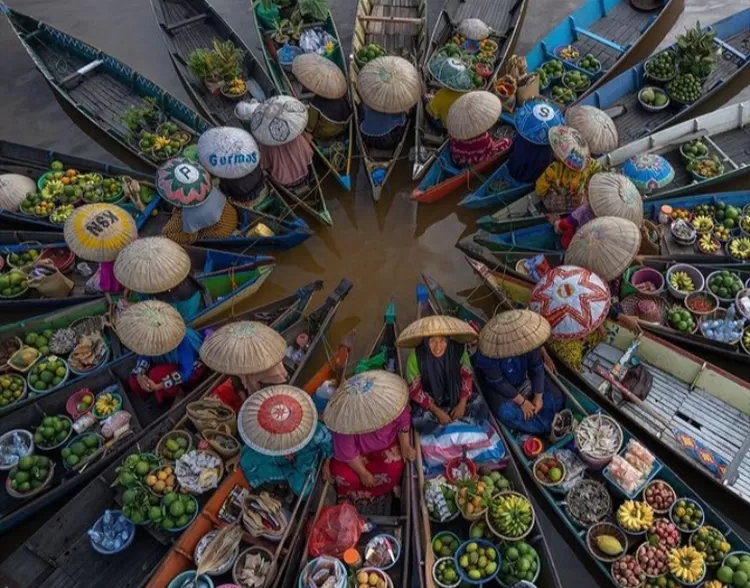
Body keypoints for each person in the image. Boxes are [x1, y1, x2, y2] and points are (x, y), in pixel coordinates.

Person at [322, 370, 415, 501]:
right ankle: (358, 495)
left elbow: (403, 420)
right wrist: (363, 472)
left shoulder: (388, 403)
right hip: (356, 455)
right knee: (343, 475)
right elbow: (347, 450)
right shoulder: (345, 419)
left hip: (385, 445)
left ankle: (384, 489)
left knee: (395, 466)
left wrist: (405, 445)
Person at [474, 310, 563, 434]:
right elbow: (498, 382)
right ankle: (545, 427)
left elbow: (536, 367)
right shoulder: (489, 352)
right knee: (506, 413)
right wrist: (522, 402)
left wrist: (538, 397)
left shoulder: (526, 342)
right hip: (501, 390)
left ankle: (542, 423)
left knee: (557, 398)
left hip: (523, 380)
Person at [395, 315, 486, 434]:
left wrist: (462, 404)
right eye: (433, 341)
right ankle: (456, 430)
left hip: (456, 396)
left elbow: (467, 376)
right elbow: (415, 390)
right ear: (426, 341)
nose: (438, 347)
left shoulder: (458, 349)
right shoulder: (415, 357)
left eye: (442, 341)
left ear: (448, 340)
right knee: (419, 420)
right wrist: (437, 412)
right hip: (431, 402)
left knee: (480, 403)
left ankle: (452, 429)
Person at [238, 385, 332, 498]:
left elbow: (328, 445)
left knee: (302, 489)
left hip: (304, 457)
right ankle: (280, 477)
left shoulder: (318, 431)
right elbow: (259, 439)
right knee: (247, 461)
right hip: (278, 450)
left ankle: (285, 478)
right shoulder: (269, 425)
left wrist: (326, 463)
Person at [115, 301, 205, 405]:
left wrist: (160, 386)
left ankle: (177, 392)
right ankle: (148, 397)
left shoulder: (184, 341)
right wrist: (139, 375)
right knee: (134, 380)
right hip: (166, 363)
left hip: (190, 369)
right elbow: (145, 355)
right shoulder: (149, 337)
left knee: (156, 375)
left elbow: (186, 372)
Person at [547, 172, 644, 248]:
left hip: (580, 240)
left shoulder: (585, 209)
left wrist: (556, 222)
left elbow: (566, 223)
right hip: (602, 244)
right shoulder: (616, 223)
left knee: (562, 230)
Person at [535, 125, 600, 213]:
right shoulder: (588, 163)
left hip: (558, 199)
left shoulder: (554, 168)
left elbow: (540, 187)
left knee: (549, 198)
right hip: (576, 200)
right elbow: (598, 168)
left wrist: (540, 193)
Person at [292, 53, 351, 141]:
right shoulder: (339, 95)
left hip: (326, 133)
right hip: (344, 126)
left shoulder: (315, 104)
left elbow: (310, 127)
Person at [446, 91, 511, 167]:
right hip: (477, 160)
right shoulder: (483, 138)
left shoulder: (456, 131)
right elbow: (490, 150)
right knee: (507, 141)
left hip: (459, 159)